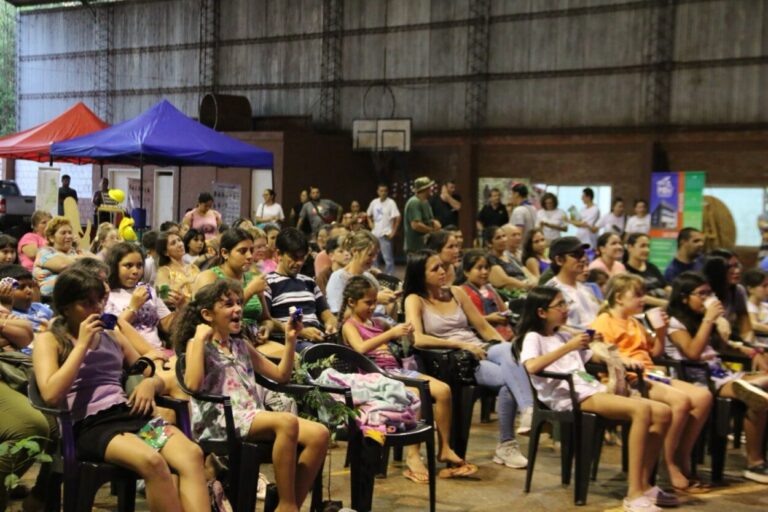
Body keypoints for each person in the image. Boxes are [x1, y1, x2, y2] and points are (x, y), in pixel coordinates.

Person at [33, 267, 209, 512]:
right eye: (86, 303)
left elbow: (146, 365)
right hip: (88, 425)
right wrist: (82, 345)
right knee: (153, 461)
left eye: (99, 301)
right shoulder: (49, 340)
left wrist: (150, 383)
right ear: (65, 307)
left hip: (129, 415)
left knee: (191, 454)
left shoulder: (112, 335)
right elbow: (51, 394)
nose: (97, 309)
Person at [176, 279, 328, 512]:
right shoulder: (197, 345)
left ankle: (289, 505)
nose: (238, 308)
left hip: (250, 415)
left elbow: (281, 375)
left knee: (319, 434)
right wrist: (198, 340)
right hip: (218, 420)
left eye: (239, 303)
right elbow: (193, 385)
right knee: (285, 422)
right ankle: (287, 505)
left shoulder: (241, 345)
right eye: (228, 304)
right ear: (207, 315)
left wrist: (290, 339)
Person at [519, 286, 673, 512]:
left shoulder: (563, 334)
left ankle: (646, 484)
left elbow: (592, 357)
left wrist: (614, 356)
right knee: (641, 411)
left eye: (565, 304)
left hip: (590, 388)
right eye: (559, 305)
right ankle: (633, 493)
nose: (565, 309)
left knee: (663, 411)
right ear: (542, 312)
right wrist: (569, 347)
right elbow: (532, 366)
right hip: (570, 396)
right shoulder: (534, 337)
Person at [403, 250, 534, 470]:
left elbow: (483, 327)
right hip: (454, 358)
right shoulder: (415, 299)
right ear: (421, 274)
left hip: (479, 348)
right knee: (508, 383)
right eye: (435, 269)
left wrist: (503, 352)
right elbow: (418, 339)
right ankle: (507, 443)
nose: (442, 271)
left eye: (442, 266)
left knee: (510, 351)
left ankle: (527, 411)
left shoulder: (457, 292)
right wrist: (461, 345)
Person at [339, 275, 472, 482]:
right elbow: (361, 348)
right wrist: (390, 333)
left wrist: (405, 334)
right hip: (377, 376)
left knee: (444, 390)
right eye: (368, 302)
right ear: (351, 302)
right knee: (416, 394)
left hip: (397, 372)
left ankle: (444, 448)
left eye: (375, 302)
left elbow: (397, 333)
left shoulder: (376, 322)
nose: (373, 306)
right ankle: (413, 456)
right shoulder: (350, 325)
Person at [590, 273, 712, 492]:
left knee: (703, 397)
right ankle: (668, 463)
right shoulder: (604, 321)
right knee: (681, 401)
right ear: (619, 298)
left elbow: (654, 351)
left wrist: (661, 331)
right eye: (637, 294)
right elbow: (598, 353)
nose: (642, 299)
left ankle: (681, 455)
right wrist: (623, 361)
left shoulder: (635, 323)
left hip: (650, 374)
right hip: (630, 379)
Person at [665, 271, 768, 483]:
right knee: (759, 393)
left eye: (709, 293)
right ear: (684, 297)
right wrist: (709, 320)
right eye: (701, 294)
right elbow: (693, 353)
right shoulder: (675, 322)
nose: (707, 298)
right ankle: (755, 463)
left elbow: (719, 349)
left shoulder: (700, 318)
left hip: (719, 371)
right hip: (695, 377)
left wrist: (747, 349)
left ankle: (751, 388)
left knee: (759, 394)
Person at [192, 229, 274, 345]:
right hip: (221, 341)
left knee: (294, 358)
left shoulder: (252, 279)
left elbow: (266, 319)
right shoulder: (210, 277)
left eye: (251, 250)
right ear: (225, 253)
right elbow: (209, 318)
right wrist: (250, 290)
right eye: (243, 251)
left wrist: (266, 328)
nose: (250, 256)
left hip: (254, 339)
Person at [264, 228, 338, 353]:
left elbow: (327, 314)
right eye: (293, 257)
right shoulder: (268, 282)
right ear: (279, 254)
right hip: (291, 341)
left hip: (318, 337)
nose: (299, 263)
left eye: (302, 258)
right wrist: (301, 331)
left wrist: (330, 324)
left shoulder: (309, 282)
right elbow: (266, 319)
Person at [105, 242, 179, 352]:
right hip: (128, 356)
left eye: (139, 265)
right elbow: (110, 332)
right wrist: (133, 307)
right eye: (128, 266)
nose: (135, 271)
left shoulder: (147, 290)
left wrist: (181, 307)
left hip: (158, 351)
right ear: (115, 267)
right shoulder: (107, 294)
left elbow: (168, 326)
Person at [324, 230, 398, 318]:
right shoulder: (338, 277)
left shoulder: (369, 277)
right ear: (355, 251)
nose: (374, 259)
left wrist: (389, 298)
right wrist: (375, 300)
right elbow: (338, 315)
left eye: (376, 255)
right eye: (370, 255)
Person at [702, 250, 757, 345]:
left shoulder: (738, 291)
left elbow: (745, 326)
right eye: (730, 267)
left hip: (729, 343)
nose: (737, 271)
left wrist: (749, 345)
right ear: (716, 270)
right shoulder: (703, 292)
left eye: (737, 265)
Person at [544, 236, 600, 330]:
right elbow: (554, 326)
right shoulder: (550, 291)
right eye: (576, 254)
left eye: (582, 254)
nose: (582, 259)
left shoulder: (586, 289)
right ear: (559, 260)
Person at [460, 249, 515, 341]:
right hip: (480, 336)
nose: (484, 272)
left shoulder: (490, 289)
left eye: (486, 268)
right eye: (479, 268)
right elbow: (464, 321)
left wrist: (506, 315)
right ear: (467, 272)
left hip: (503, 333)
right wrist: (489, 318)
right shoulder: (462, 291)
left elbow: (505, 310)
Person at [33, 216, 88, 298]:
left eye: (70, 232)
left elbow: (97, 263)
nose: (69, 236)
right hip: (50, 300)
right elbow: (63, 265)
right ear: (51, 238)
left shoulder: (76, 252)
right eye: (63, 233)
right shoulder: (45, 252)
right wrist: (82, 260)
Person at [0, 265, 53, 332]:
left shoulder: (39, 307)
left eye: (30, 286)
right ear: (4, 290)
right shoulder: (6, 315)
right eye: (21, 287)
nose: (29, 291)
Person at [155, 231, 201, 305]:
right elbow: (164, 296)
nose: (180, 244)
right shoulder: (164, 271)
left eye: (179, 240)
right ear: (166, 252)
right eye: (173, 243)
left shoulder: (193, 267)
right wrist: (185, 281)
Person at [624, 233, 669, 307]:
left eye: (648, 246)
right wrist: (664, 303)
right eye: (642, 246)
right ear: (630, 248)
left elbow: (666, 287)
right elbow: (638, 297)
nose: (647, 250)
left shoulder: (652, 267)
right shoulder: (625, 270)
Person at [485, 226, 532, 294]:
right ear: (489, 243)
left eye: (504, 236)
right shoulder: (489, 259)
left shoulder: (511, 258)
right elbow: (504, 281)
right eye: (498, 238)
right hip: (512, 295)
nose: (503, 240)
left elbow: (528, 273)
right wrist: (527, 286)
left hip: (527, 289)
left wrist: (535, 284)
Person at [367, 183, 401, 275]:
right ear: (378, 192)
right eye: (381, 191)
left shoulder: (391, 203)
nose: (383, 193)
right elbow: (368, 214)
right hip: (375, 234)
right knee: (374, 257)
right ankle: (375, 276)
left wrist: (393, 232)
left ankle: (389, 277)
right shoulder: (374, 202)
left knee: (388, 258)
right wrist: (370, 223)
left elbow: (397, 217)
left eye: (385, 191)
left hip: (385, 234)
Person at [403, 176, 441, 253]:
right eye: (430, 187)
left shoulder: (425, 202)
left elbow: (429, 219)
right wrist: (432, 231)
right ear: (425, 189)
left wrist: (434, 222)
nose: (431, 189)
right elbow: (416, 225)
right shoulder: (414, 202)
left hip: (425, 246)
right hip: (416, 248)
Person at [743, 269, 768, 342]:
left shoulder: (765, 306)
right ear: (750, 289)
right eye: (764, 286)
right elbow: (753, 324)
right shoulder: (748, 306)